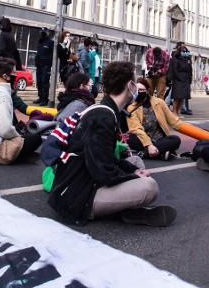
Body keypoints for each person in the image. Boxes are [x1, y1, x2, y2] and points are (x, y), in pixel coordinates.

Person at [48, 61, 177, 227]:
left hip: (82, 180)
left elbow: (107, 158)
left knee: (136, 162)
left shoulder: (106, 110)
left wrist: (134, 170)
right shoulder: (104, 118)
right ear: (130, 85)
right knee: (149, 187)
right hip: (79, 197)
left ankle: (128, 210)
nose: (137, 88)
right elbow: (103, 171)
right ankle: (130, 211)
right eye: (135, 82)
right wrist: (134, 176)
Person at [126, 77, 182, 161]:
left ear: (148, 90)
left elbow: (174, 122)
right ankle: (161, 152)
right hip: (142, 140)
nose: (138, 92)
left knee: (175, 139)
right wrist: (149, 145)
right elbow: (136, 129)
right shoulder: (131, 108)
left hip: (159, 139)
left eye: (141, 90)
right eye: (136, 90)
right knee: (129, 138)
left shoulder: (159, 102)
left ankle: (144, 154)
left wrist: (196, 132)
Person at [169, 44, 193, 117]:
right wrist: (179, 78)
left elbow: (190, 70)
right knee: (177, 97)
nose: (185, 53)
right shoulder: (175, 59)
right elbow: (175, 70)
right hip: (178, 80)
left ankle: (179, 112)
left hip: (186, 80)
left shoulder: (187, 60)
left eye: (185, 51)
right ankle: (174, 112)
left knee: (182, 97)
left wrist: (189, 79)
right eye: (183, 51)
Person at [34, 27, 54, 106]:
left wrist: (50, 63)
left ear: (48, 33)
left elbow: (52, 55)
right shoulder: (40, 41)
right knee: (39, 82)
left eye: (44, 32)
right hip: (39, 65)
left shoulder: (50, 42)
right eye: (42, 32)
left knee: (44, 82)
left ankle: (45, 99)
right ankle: (40, 97)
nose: (43, 33)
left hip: (46, 66)